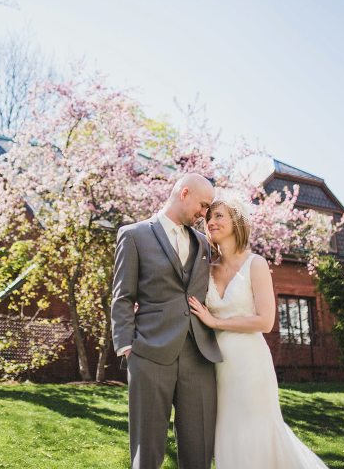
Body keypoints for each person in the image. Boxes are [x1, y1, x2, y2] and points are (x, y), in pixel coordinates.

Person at [188, 192, 329, 468]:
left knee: (256, 430)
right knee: (227, 432)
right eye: (208, 217)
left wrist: (217, 322)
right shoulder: (206, 267)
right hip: (215, 364)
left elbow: (265, 321)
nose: (211, 222)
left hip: (249, 361)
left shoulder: (256, 264)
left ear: (237, 222)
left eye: (219, 216)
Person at [111, 173, 222, 469]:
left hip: (198, 356)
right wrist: (126, 347)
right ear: (184, 193)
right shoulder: (134, 235)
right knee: (146, 452)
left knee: (199, 451)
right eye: (203, 205)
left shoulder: (204, 244)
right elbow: (122, 296)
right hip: (149, 354)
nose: (204, 214)